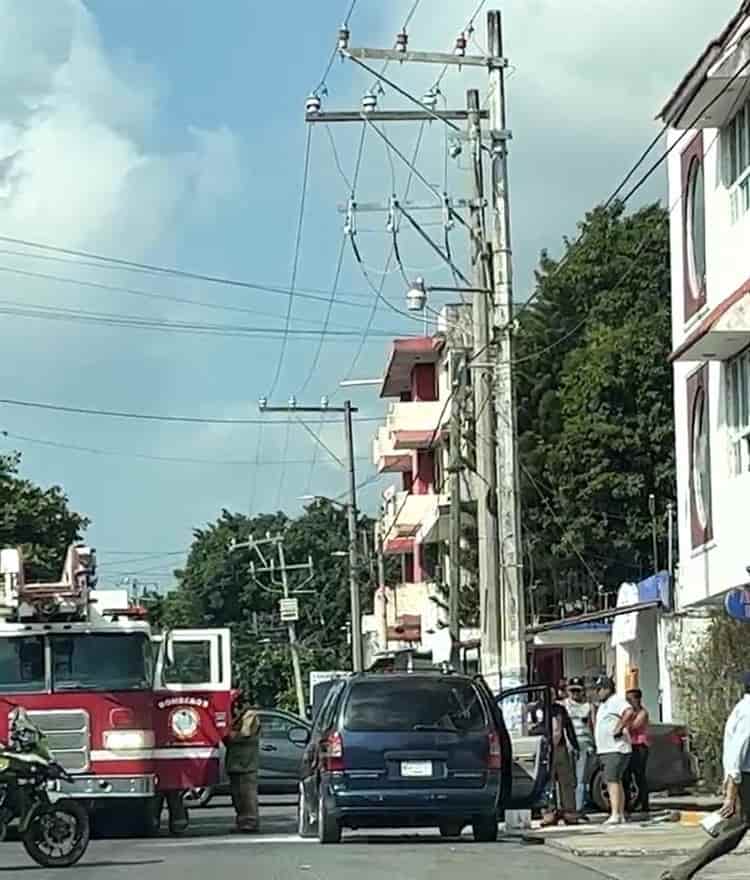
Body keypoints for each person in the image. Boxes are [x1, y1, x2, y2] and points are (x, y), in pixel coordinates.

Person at [661, 674, 750, 880]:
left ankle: (681, 873)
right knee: (731, 832)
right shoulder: (748, 711)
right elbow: (738, 750)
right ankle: (680, 873)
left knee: (731, 833)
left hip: (742, 778)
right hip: (746, 779)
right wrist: (731, 788)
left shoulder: (742, 708)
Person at [594, 675, 634, 826]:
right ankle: (620, 813)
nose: (597, 693)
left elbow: (629, 712)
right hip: (606, 749)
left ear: (607, 689)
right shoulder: (604, 705)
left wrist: (619, 727)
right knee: (615, 780)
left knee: (612, 780)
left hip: (615, 748)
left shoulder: (616, 701)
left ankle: (615, 813)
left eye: (599, 689)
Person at [224, 693, 261, 833]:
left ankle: (250, 822)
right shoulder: (234, 717)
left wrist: (227, 733)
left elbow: (245, 734)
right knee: (237, 796)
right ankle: (241, 821)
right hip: (235, 763)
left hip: (246, 763)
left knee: (247, 795)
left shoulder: (250, 715)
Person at [541, 697, 580, 826]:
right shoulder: (538, 709)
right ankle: (549, 812)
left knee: (566, 781)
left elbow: (568, 727)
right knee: (547, 782)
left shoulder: (560, 709)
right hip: (545, 747)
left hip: (560, 748)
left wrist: (575, 745)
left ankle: (570, 813)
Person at [564, 677, 596, 815]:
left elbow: (593, 725)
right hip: (568, 743)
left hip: (584, 743)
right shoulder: (564, 705)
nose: (575, 694)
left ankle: (578, 808)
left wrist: (594, 744)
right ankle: (568, 807)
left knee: (581, 778)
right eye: (572, 691)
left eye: (578, 691)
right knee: (568, 778)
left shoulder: (589, 706)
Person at [624, 688, 651, 814]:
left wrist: (625, 721)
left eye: (630, 699)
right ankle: (628, 803)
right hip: (629, 745)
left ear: (638, 699)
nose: (628, 702)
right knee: (627, 776)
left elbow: (633, 726)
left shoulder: (642, 713)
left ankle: (644, 803)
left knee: (639, 775)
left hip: (640, 746)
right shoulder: (628, 712)